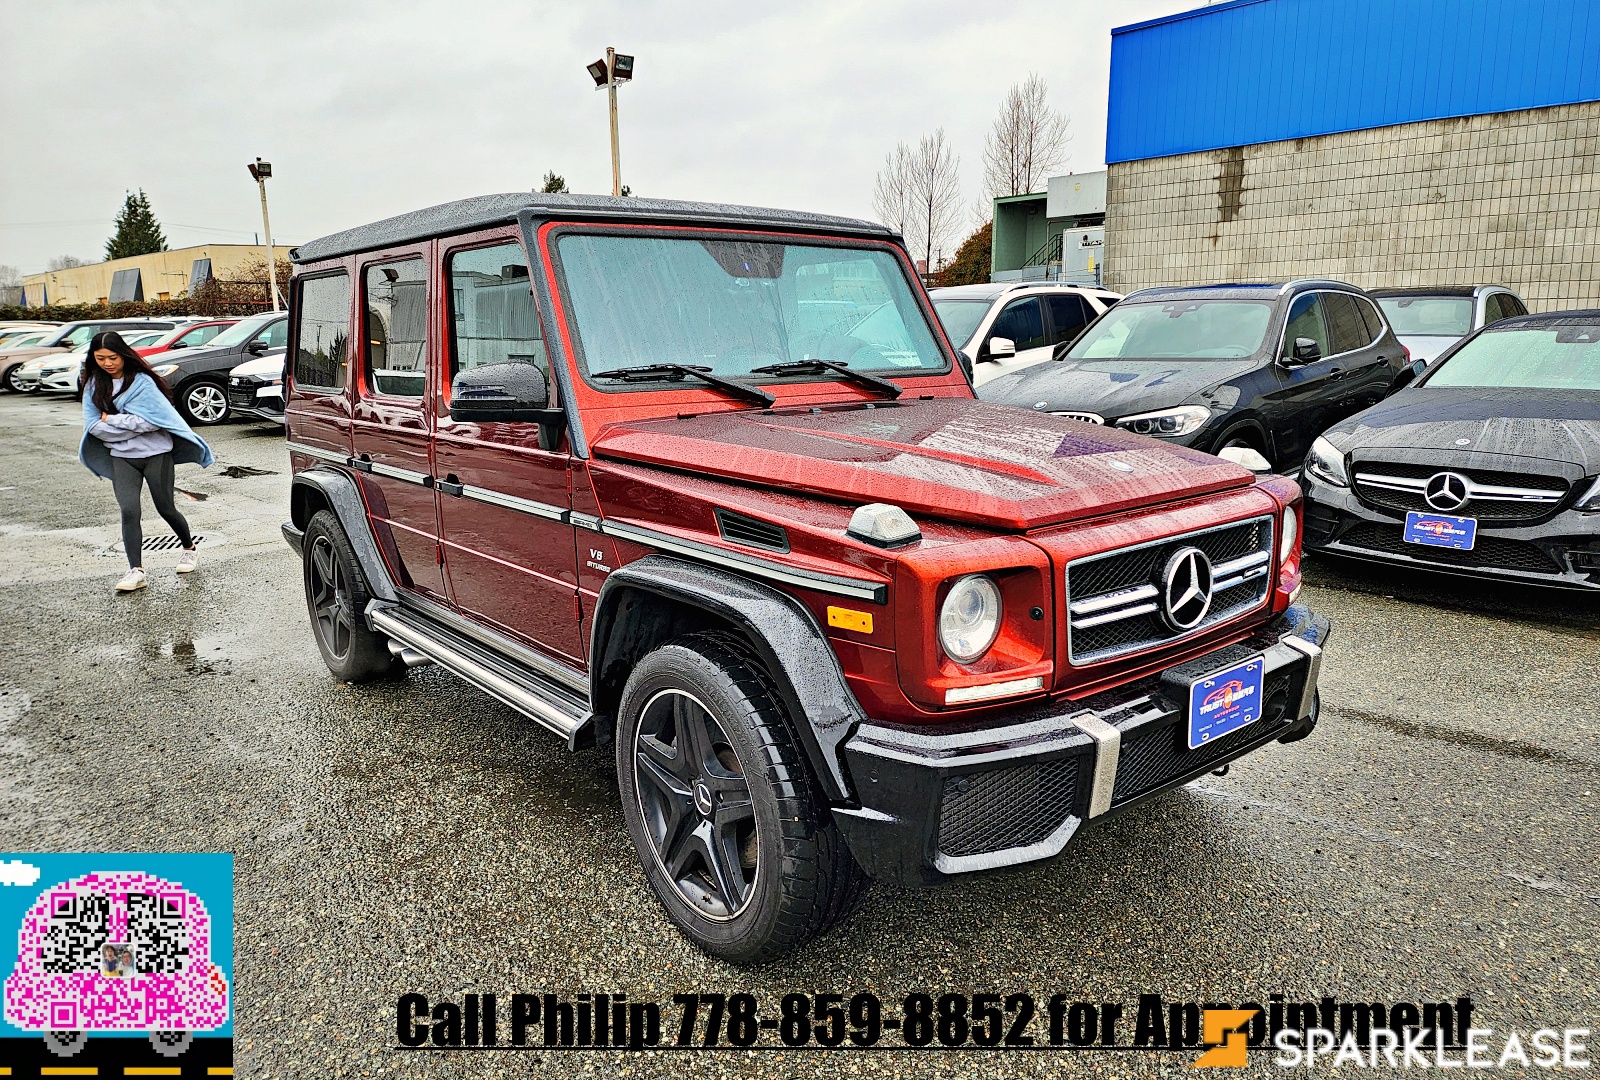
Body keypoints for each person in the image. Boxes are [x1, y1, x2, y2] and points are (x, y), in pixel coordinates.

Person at [78, 331, 214, 592]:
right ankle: (135, 571)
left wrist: (113, 421)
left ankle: (189, 548)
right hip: (122, 458)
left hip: (156, 455)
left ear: (124, 355)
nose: (107, 363)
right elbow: (93, 426)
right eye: (100, 358)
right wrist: (129, 425)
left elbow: (154, 421)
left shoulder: (142, 382)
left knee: (166, 507)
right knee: (129, 511)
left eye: (112, 357)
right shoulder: (94, 385)